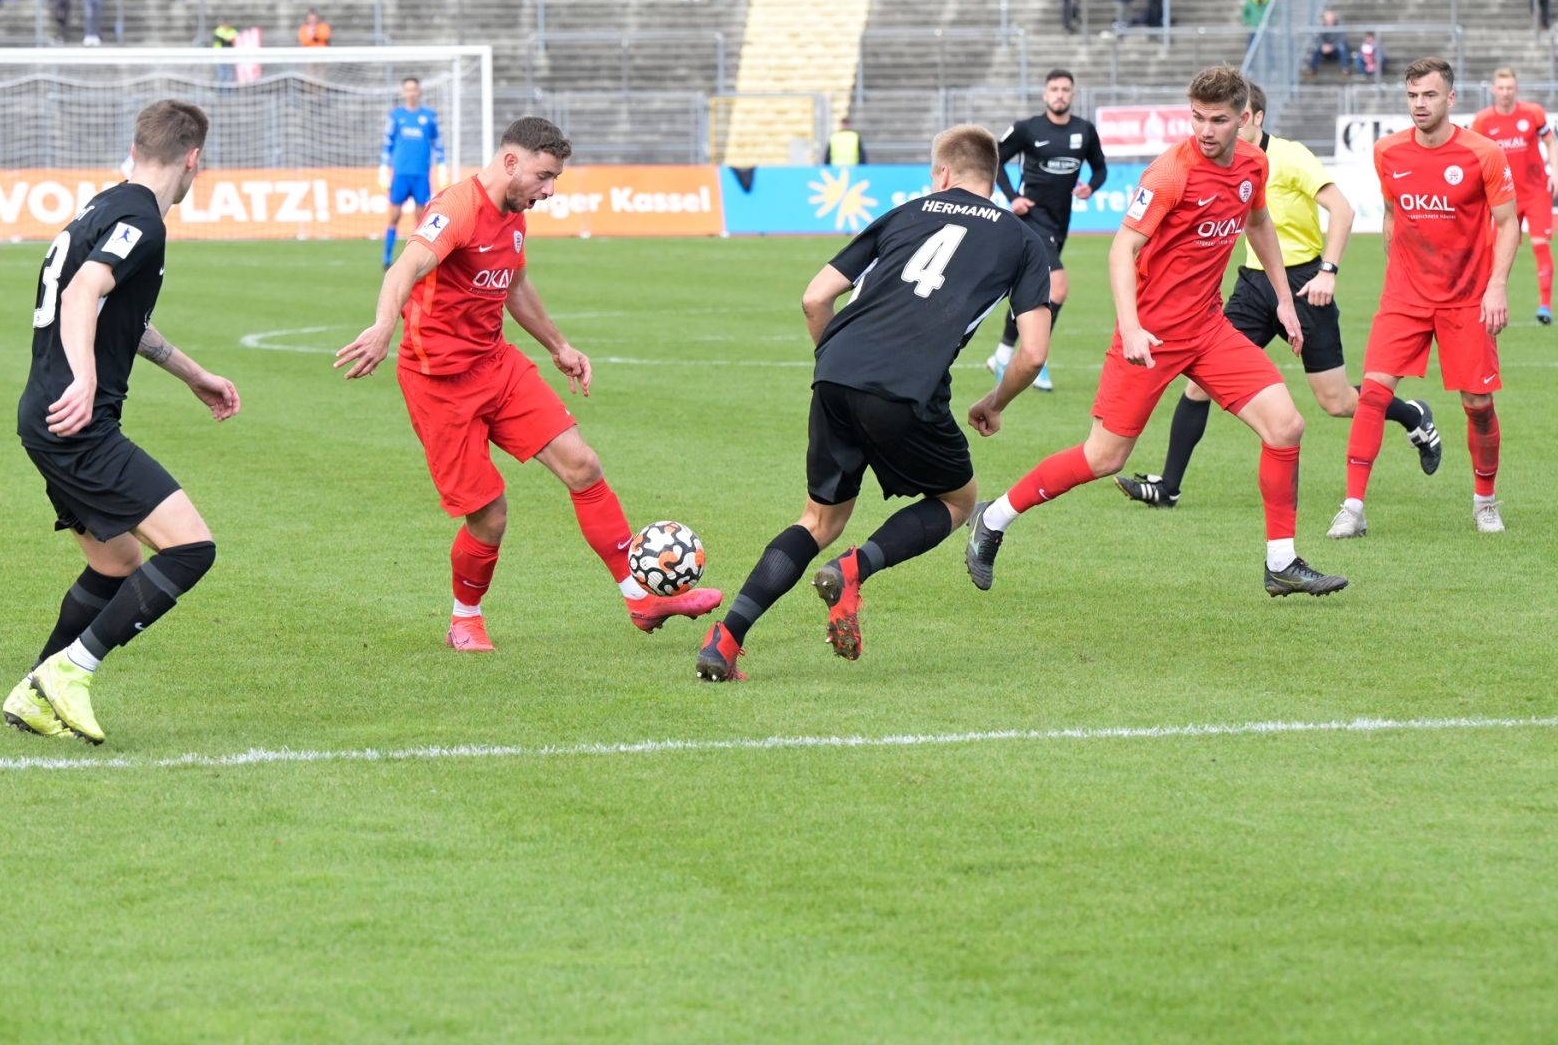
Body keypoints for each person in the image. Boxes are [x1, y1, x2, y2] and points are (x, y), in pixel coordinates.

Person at [336, 118, 724, 652]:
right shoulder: (457, 209)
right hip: (438, 382)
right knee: (490, 514)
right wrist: (382, 328)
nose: (550, 190)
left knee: (583, 465)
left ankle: (640, 598)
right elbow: (402, 270)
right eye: (544, 176)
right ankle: (464, 619)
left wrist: (559, 347)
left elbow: (515, 287)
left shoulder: (514, 216)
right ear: (511, 162)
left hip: (496, 365)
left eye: (556, 178)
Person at [966, 65, 1348, 599]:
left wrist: (1285, 301)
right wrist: (1132, 328)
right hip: (1149, 336)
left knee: (1285, 427)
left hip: (1209, 328)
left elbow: (1258, 223)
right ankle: (995, 517)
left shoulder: (1254, 164)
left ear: (1244, 119)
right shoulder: (1171, 173)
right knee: (1105, 458)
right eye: (1197, 118)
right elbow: (1122, 248)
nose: (1206, 130)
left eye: (1218, 119)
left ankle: (1281, 561)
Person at [697, 125, 1052, 682]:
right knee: (960, 500)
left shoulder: (907, 212)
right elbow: (1031, 354)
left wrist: (835, 366)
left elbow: (815, 296)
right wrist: (995, 401)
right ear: (993, 176)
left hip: (836, 373)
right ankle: (855, 568)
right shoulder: (1022, 238)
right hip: (907, 389)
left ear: (942, 174)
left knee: (818, 518)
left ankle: (726, 638)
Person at [2, 102, 238, 744]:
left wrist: (192, 373)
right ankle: (69, 673)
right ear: (193, 158)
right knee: (191, 548)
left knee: (117, 561)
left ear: (136, 149)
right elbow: (83, 294)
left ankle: (33, 689)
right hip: (74, 420)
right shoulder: (142, 219)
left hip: (45, 416)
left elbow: (117, 316)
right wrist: (84, 377)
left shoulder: (105, 206)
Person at [1119, 80, 1443, 510]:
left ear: (1251, 118)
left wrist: (1328, 271)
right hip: (1254, 286)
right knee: (1198, 387)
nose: (1220, 128)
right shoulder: (1223, 164)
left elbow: (1342, 210)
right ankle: (1169, 487)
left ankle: (1412, 415)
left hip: (1306, 284)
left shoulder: (1289, 156)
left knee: (1335, 400)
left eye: (1233, 118)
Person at [1324, 59, 1517, 540]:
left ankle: (1485, 501)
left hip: (1467, 298)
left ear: (1450, 99)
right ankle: (1353, 508)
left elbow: (1508, 223)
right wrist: (1397, 274)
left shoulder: (1483, 154)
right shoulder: (1388, 152)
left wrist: (1496, 286)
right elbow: (1392, 213)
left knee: (1477, 403)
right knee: (1372, 393)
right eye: (1412, 96)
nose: (1419, 104)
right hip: (1406, 295)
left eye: (1429, 95)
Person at [984, 69, 1107, 391]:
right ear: (1044, 94)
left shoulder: (1085, 130)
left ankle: (1002, 354)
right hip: (1032, 219)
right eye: (1054, 89)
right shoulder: (1027, 129)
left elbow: (1101, 167)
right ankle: (1033, 356)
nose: (1060, 94)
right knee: (1058, 288)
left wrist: (1091, 187)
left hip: (1060, 220)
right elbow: (994, 160)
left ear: (1073, 95)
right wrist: (1013, 198)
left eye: (1066, 89)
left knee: (1036, 292)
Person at [1469, 67, 1558, 322]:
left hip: (1536, 192)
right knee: (1497, 250)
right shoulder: (1483, 120)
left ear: (1516, 89)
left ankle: (1545, 306)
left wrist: (1555, 173)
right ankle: (1488, 300)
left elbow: (1550, 142)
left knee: (1540, 245)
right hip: (1503, 197)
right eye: (1501, 88)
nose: (1506, 92)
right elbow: (1473, 155)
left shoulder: (1533, 113)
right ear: (1493, 90)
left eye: (1510, 87)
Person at [378, 78, 445, 269]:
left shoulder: (428, 116)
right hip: (400, 174)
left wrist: (441, 167)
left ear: (419, 91)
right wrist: (383, 169)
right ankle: (386, 258)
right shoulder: (396, 116)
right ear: (403, 92)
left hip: (421, 175)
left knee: (421, 220)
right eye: (407, 89)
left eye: (414, 89)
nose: (411, 93)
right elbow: (387, 143)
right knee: (394, 216)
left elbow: (437, 144)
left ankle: (418, 260)